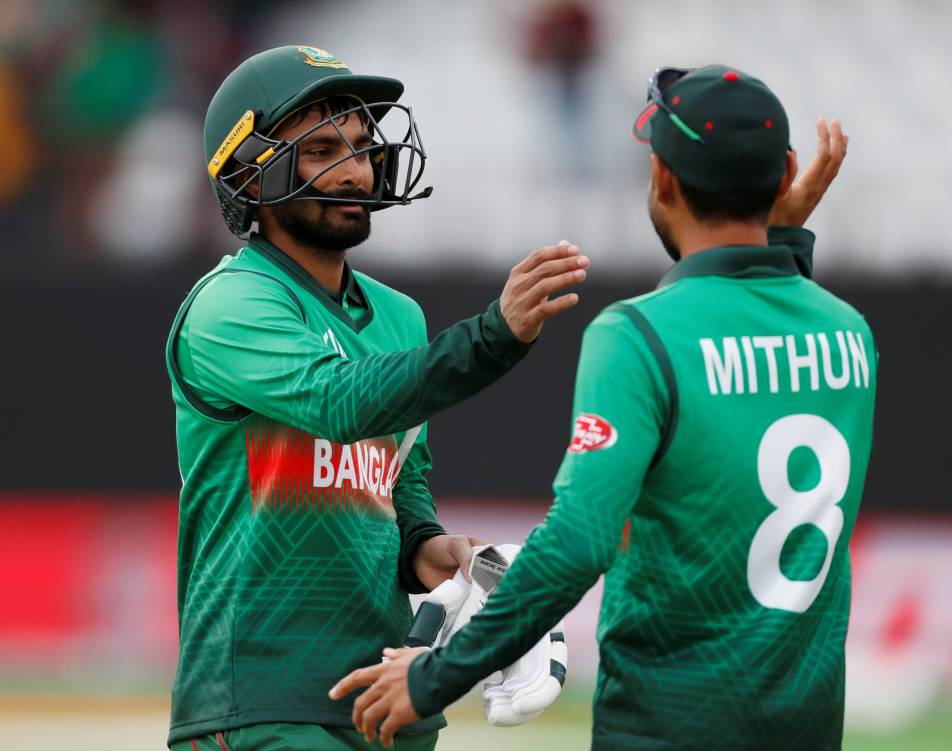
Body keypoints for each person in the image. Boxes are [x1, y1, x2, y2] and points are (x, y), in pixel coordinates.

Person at [331, 65, 871, 751]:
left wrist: (435, 676)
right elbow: (772, 324)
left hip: (663, 725)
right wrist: (783, 239)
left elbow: (580, 540)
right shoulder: (848, 331)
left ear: (664, 180)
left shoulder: (638, 335)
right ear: (787, 168)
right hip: (809, 730)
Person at [165, 45, 589, 751]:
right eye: (324, 150)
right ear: (248, 171)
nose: (358, 170)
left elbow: (397, 481)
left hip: (392, 697)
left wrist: (427, 544)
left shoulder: (398, 315)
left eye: (363, 147)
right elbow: (339, 403)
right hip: (263, 701)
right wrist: (492, 338)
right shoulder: (229, 304)